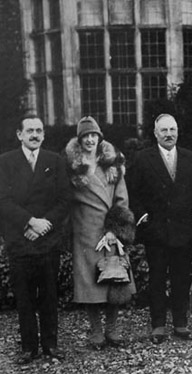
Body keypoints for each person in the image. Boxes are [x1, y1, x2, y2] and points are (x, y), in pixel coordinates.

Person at [128, 113, 192, 344]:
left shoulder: (190, 158)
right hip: (156, 230)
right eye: (163, 130)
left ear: (178, 131)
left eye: (172, 129)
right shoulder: (143, 159)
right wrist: (143, 217)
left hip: (184, 230)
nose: (169, 134)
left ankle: (181, 323)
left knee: (181, 278)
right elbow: (133, 192)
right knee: (156, 278)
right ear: (155, 133)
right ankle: (158, 326)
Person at [0, 115, 71, 364]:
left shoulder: (55, 161)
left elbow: (64, 200)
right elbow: (3, 201)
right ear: (19, 134)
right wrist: (30, 222)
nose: (35, 135)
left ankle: (50, 345)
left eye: (39, 130)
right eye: (29, 130)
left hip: (47, 240)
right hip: (20, 240)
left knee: (49, 295)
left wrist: (43, 225)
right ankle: (29, 347)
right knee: (25, 297)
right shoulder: (6, 162)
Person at [65, 116, 136, 349]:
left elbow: (121, 200)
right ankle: (96, 332)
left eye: (94, 135)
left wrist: (114, 231)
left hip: (109, 232)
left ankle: (113, 330)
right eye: (85, 136)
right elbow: (64, 199)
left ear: (100, 137)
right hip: (85, 232)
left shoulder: (112, 165)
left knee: (114, 280)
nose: (90, 140)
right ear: (80, 139)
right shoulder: (71, 167)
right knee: (90, 285)